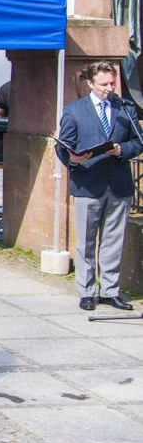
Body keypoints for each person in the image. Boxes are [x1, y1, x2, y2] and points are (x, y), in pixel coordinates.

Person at [55, 61, 140, 312]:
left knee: (113, 240)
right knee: (86, 241)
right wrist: (73, 158)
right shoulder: (74, 111)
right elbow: (63, 146)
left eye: (112, 83)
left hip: (118, 183)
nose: (109, 88)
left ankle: (110, 291)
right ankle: (87, 291)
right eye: (103, 84)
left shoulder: (125, 107)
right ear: (90, 83)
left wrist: (122, 149)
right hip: (88, 184)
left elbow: (138, 140)